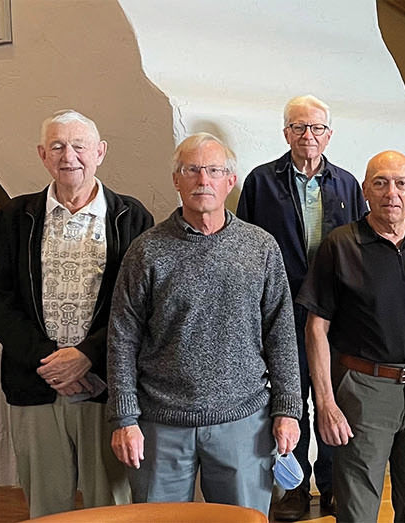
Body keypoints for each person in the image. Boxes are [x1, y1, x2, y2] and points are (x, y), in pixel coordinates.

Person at [106, 133, 301, 516]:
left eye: (214, 170)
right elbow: (122, 339)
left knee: (244, 521)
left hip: (244, 422)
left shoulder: (260, 247)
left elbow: (281, 335)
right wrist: (124, 418)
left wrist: (288, 409)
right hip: (160, 425)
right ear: (176, 180)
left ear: (230, 181)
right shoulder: (147, 250)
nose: (203, 180)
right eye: (192, 170)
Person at [0, 110, 151, 517]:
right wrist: (50, 361)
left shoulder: (131, 217)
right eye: (57, 146)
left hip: (104, 386)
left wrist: (87, 356)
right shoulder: (14, 217)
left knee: (108, 507)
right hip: (36, 383)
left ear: (100, 152)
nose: (68, 156)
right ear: (42, 154)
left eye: (79, 146)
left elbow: (141, 305)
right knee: (46, 508)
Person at [298, 150, 405, 522]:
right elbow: (316, 328)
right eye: (380, 183)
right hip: (364, 389)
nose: (391, 192)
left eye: (400, 183)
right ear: (365, 190)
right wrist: (326, 404)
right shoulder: (340, 246)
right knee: (358, 507)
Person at [236, 94, 365, 519]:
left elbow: (362, 249)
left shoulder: (347, 183)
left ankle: (331, 486)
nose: (308, 136)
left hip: (333, 314)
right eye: (299, 127)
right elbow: (244, 247)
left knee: (331, 398)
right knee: (290, 400)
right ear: (285, 131)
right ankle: (294, 487)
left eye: (317, 128)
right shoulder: (260, 182)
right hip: (281, 311)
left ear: (329, 134)